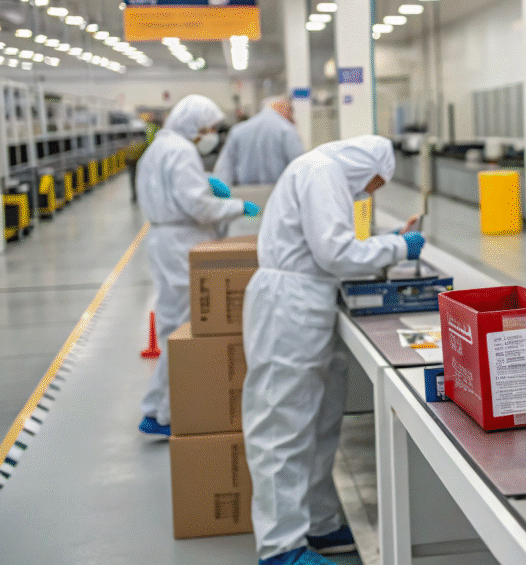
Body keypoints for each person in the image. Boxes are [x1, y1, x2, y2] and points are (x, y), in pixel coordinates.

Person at [241, 135, 424, 565]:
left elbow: (328, 243)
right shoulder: (324, 172)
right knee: (282, 425)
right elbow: (335, 252)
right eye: (376, 183)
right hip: (289, 306)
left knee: (319, 421)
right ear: (370, 166)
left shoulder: (326, 173)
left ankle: (318, 524)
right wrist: (399, 246)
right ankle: (280, 547)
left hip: (306, 303)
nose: (370, 192)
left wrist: (384, 241)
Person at [136, 95, 261, 437]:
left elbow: (175, 187)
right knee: (183, 326)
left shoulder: (160, 148)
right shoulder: (180, 150)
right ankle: (163, 412)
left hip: (163, 240)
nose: (211, 135)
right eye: (208, 129)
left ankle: (158, 408)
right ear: (194, 126)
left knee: (171, 324)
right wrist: (237, 206)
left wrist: (204, 181)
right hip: (181, 242)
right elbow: (198, 208)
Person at [213, 95, 306, 186]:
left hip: (244, 193)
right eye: (290, 111)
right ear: (281, 107)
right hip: (278, 192)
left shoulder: (238, 130)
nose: (292, 117)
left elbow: (223, 171)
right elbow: (300, 168)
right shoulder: (286, 129)